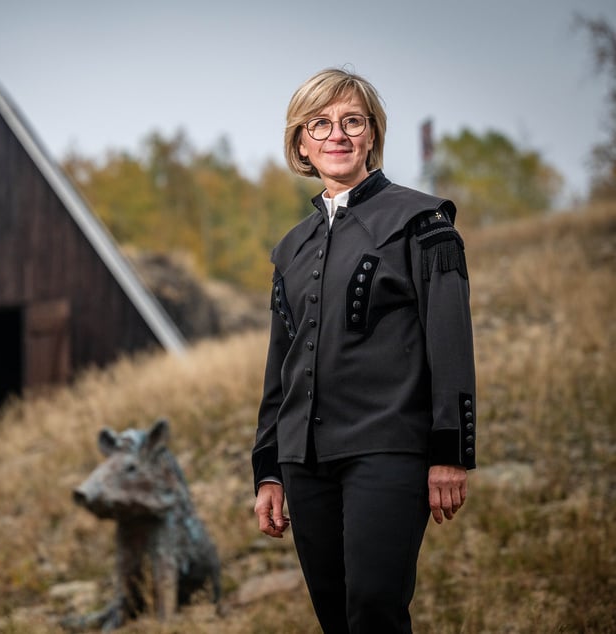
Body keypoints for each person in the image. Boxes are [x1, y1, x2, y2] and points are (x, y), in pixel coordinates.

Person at [251, 67, 477, 634]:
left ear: (372, 134)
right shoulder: (290, 249)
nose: (337, 135)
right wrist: (270, 469)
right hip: (305, 462)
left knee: (374, 609)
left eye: (352, 121)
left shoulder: (423, 222)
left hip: (389, 450)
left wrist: (450, 451)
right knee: (335, 618)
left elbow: (450, 345)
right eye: (319, 124)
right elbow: (281, 368)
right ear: (301, 142)